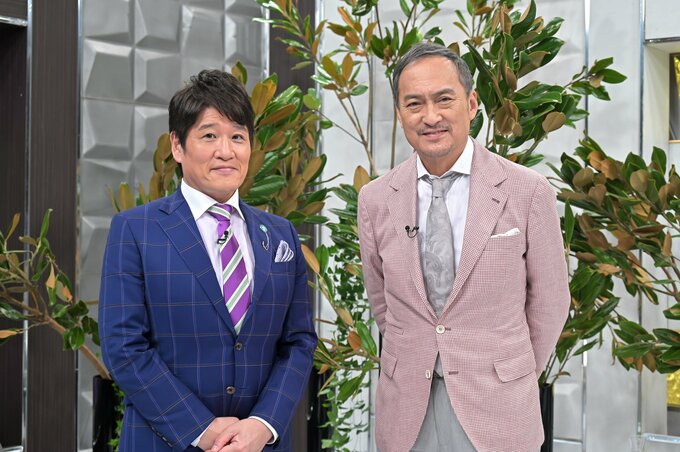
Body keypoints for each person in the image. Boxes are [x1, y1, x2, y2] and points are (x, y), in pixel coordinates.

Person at [358, 43, 570, 452]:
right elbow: (383, 303)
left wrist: (511, 371)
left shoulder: (528, 190)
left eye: (444, 99)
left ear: (471, 104)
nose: (430, 116)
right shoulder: (375, 198)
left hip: (499, 405)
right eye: (414, 103)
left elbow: (551, 302)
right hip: (408, 409)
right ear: (400, 113)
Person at [99, 69, 317, 452]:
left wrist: (264, 424)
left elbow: (298, 341)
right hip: (166, 442)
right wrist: (202, 429)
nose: (226, 151)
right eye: (209, 135)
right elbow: (124, 346)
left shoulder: (281, 234)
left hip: (259, 444)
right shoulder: (136, 230)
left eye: (238, 136)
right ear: (177, 145)